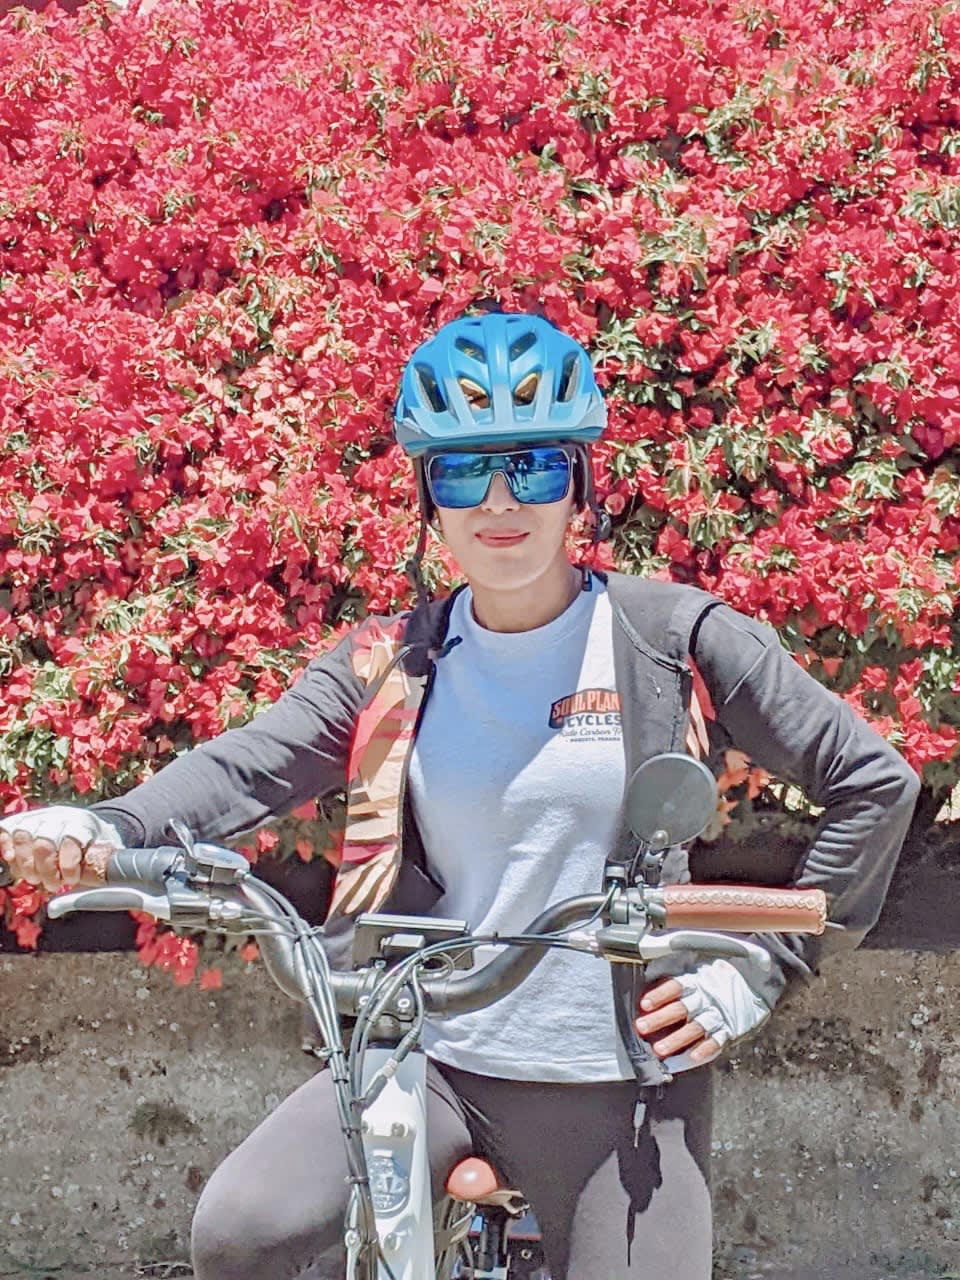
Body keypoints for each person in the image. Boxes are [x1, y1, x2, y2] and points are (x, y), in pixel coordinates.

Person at [1, 309, 919, 1279]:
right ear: (428, 499)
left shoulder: (669, 639)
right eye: (462, 472)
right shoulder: (392, 660)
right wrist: (106, 823)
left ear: (580, 486)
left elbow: (873, 782)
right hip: (428, 1049)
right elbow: (249, 764)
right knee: (243, 1233)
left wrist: (765, 965)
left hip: (615, 1078)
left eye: (534, 468)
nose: (499, 501)